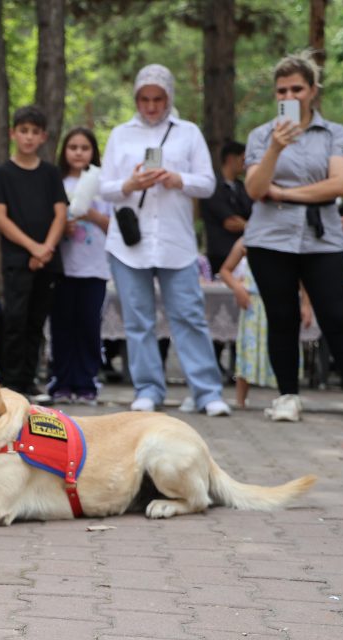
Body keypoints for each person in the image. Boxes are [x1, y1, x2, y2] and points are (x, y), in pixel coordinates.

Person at [243, 52, 343, 427]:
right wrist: (275, 148)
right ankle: (287, 397)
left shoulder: (333, 133)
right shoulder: (261, 135)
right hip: (269, 239)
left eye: (297, 89)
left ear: (312, 91)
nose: (289, 96)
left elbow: (339, 184)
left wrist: (283, 193)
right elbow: (255, 189)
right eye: (282, 91)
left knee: (337, 317)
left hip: (321, 238)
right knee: (282, 317)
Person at [100, 64, 232, 417]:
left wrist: (178, 179)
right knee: (137, 320)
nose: (151, 106)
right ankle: (147, 389)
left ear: (169, 97)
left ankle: (207, 391)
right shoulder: (120, 134)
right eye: (144, 99)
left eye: (158, 99)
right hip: (130, 246)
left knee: (189, 316)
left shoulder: (188, 133)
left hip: (176, 242)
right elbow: (104, 187)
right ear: (136, 99)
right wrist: (130, 184)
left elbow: (207, 183)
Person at [0, 106, 68, 399]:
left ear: (43, 136)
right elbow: (0, 218)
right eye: (23, 131)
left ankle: (30, 379)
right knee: (15, 320)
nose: (29, 137)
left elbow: (61, 213)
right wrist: (33, 248)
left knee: (36, 321)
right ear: (13, 133)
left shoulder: (50, 173)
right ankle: (11, 383)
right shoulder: (1, 174)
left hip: (47, 259)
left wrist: (46, 249)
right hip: (17, 260)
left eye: (35, 132)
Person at [50, 127, 110, 405]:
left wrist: (91, 214)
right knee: (62, 326)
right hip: (62, 268)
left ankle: (87, 382)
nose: (78, 153)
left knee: (88, 325)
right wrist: (63, 226)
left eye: (84, 148)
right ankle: (61, 382)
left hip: (94, 268)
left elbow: (114, 227)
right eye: (72, 147)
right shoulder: (56, 182)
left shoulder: (103, 184)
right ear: (64, 151)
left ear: (93, 152)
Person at [219, 238, 312, 408]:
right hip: (254, 305)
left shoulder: (290, 239)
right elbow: (225, 270)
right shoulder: (248, 240)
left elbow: (302, 275)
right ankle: (241, 400)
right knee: (248, 350)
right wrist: (238, 288)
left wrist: (306, 304)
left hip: (284, 301)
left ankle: (287, 396)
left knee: (285, 347)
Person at [201, 140, 252, 278]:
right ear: (230, 159)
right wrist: (253, 227)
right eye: (242, 160)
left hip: (244, 252)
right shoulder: (212, 187)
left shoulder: (242, 187)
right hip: (221, 255)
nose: (245, 164)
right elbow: (231, 223)